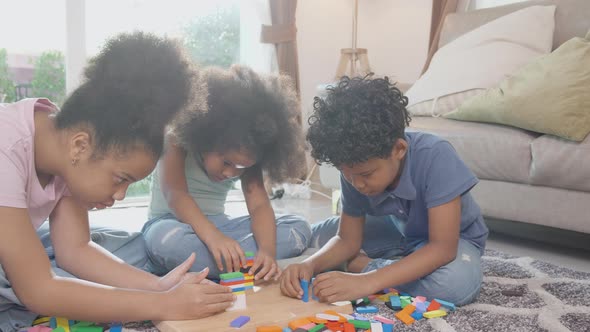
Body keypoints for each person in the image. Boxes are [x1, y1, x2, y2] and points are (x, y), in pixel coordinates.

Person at [0, 32, 234, 330]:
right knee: (29, 281)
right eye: (120, 179)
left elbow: (76, 249)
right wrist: (163, 304)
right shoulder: (6, 148)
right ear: (79, 146)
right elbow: (38, 290)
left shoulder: (62, 143)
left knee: (114, 248)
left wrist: (158, 286)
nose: (121, 195)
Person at [280, 75, 489, 305]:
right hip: (398, 231)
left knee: (453, 285)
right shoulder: (354, 168)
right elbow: (347, 239)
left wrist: (368, 279)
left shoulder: (436, 156)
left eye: (366, 174)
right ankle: (394, 265)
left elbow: (442, 249)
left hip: (452, 241)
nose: (356, 184)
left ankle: (368, 266)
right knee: (319, 237)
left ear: (398, 149)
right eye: (347, 174)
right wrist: (310, 265)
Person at [143, 65, 312, 281]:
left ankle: (230, 262)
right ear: (207, 136)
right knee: (168, 243)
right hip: (170, 224)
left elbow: (259, 206)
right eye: (226, 162)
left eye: (240, 167)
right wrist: (215, 239)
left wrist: (267, 252)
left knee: (298, 228)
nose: (231, 172)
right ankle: (237, 261)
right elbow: (176, 194)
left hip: (220, 225)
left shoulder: (249, 152)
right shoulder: (176, 139)